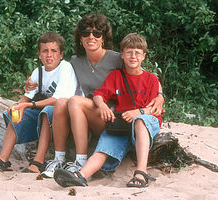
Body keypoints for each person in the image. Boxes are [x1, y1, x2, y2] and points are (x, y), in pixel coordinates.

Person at [25, 13, 164, 178]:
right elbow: (54, 72)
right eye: (86, 33)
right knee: (62, 102)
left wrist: (160, 95)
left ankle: (82, 161)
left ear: (103, 37)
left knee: (75, 101)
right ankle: (60, 159)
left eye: (97, 33)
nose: (91, 37)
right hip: (91, 111)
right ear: (80, 38)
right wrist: (33, 81)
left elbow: (141, 73)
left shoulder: (116, 58)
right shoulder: (76, 62)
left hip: (113, 115)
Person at [53, 33, 163, 188]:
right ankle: (81, 175)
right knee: (103, 148)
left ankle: (141, 172)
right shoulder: (116, 75)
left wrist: (140, 112)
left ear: (143, 56)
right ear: (122, 56)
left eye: (137, 53)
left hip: (145, 120)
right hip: (122, 123)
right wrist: (103, 106)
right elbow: (99, 95)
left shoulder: (151, 79)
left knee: (139, 121)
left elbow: (156, 108)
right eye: (129, 52)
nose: (133, 56)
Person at [0, 32, 78, 173]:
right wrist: (17, 106)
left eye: (54, 51)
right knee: (14, 113)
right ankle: (2, 160)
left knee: (46, 111)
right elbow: (27, 97)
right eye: (45, 51)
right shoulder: (38, 72)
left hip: (63, 114)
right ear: (39, 55)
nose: (49, 55)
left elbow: (57, 100)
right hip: (44, 110)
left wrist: (27, 105)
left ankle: (38, 162)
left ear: (61, 54)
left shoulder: (65, 68)